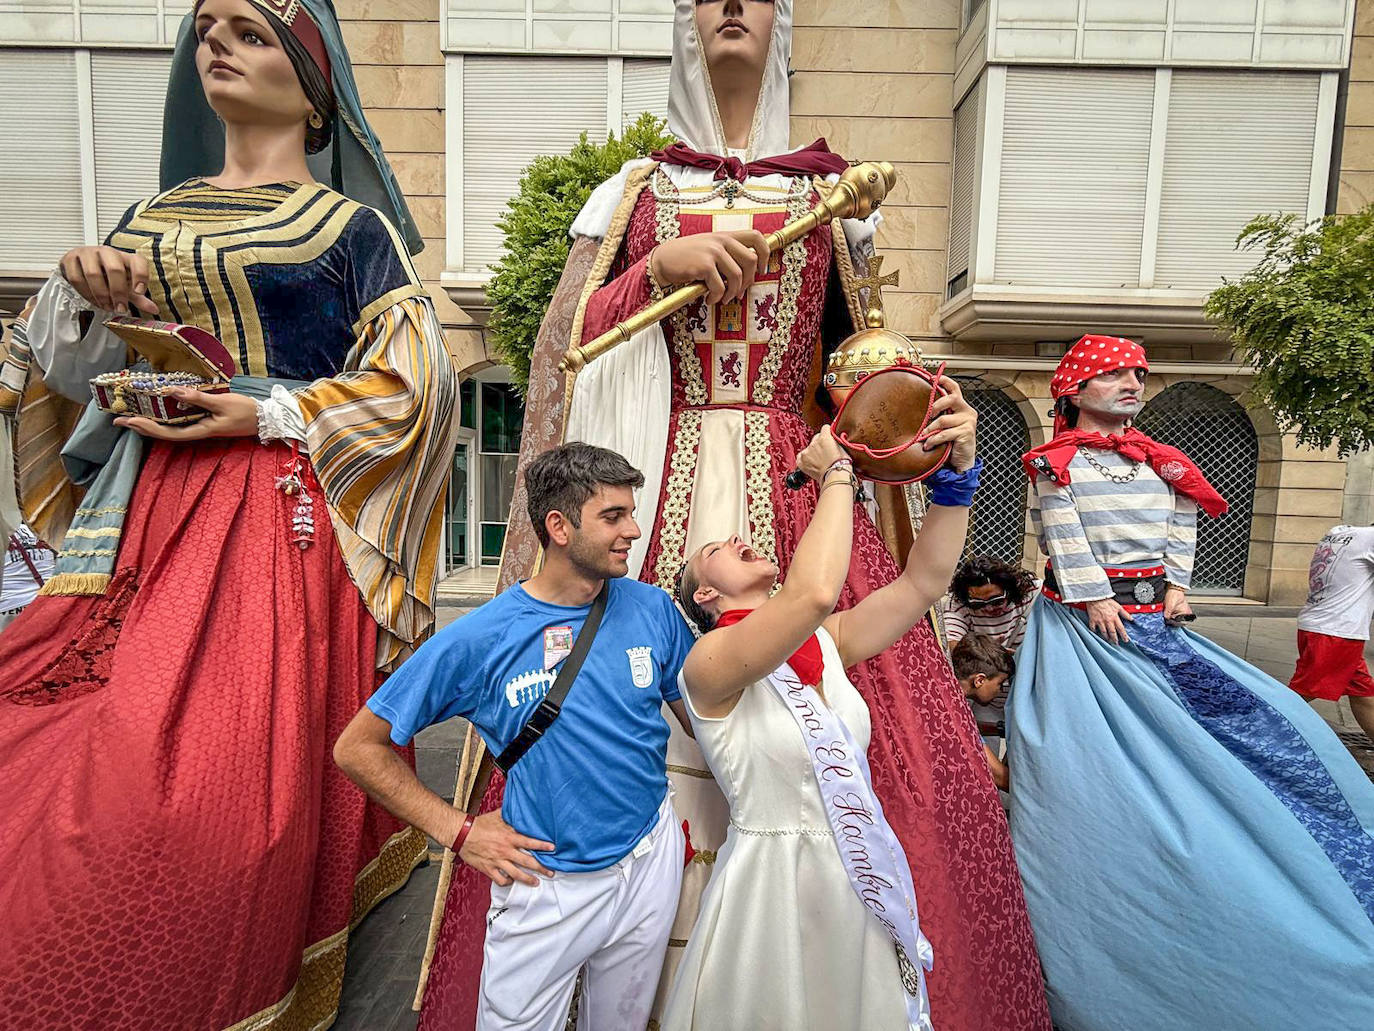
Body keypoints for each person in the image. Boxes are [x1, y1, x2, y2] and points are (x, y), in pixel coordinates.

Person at [418, 3, 1051, 1029]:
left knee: (844, 695)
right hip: (660, 475)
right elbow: (561, 350)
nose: (729, 9)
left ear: (783, 24)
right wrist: (650, 273)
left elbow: (864, 360)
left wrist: (930, 443)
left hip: (789, 475)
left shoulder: (830, 192)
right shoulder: (634, 189)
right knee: (625, 702)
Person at [0, 0, 459, 1025]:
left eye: (251, 32)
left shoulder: (352, 230)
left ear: (312, 87)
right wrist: (79, 296)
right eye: (207, 29)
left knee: (198, 786)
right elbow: (65, 377)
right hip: (135, 513)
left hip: (275, 518)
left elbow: (419, 386)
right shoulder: (147, 220)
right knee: (68, 733)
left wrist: (268, 410)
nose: (218, 44)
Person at [1009, 334, 1374, 1030]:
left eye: (1136, 374)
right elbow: (1062, 533)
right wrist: (1092, 596)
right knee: (1087, 766)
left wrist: (1177, 586)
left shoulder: (1162, 462)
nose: (1130, 383)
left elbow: (1183, 524)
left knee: (1272, 723)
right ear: (1074, 389)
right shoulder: (1055, 465)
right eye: (1112, 373)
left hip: (1160, 625)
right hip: (1089, 635)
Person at [335, 442, 695, 1031]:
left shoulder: (653, 608)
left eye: (632, 511)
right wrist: (458, 832)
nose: (634, 529)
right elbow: (356, 748)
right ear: (558, 526)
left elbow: (702, 720)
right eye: (612, 516)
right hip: (546, 883)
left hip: (649, 858)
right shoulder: (480, 637)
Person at [664, 388, 978, 1031]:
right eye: (714, 548)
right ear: (704, 591)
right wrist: (837, 472)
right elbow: (811, 592)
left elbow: (925, 582)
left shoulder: (827, 643)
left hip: (854, 877)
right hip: (770, 884)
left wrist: (956, 479)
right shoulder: (709, 667)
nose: (736, 537)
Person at [1290, 523, 1374, 741]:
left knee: (1364, 695)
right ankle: (1248, 729)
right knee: (1299, 695)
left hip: (1322, 625)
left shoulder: (1342, 532)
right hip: (1337, 631)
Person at [950, 634, 1014, 790]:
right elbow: (1000, 777)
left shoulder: (950, 698)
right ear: (979, 680)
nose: (1001, 690)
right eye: (1000, 683)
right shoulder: (956, 714)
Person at [943, 556, 1038, 650]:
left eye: (997, 601)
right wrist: (983, 652)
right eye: (978, 604)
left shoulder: (1031, 591)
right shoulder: (958, 602)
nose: (989, 608)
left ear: (1009, 590)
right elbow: (951, 644)